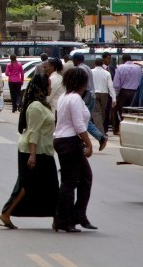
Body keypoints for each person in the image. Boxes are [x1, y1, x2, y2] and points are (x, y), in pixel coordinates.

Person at [0, 73, 58, 229]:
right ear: (42, 87)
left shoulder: (43, 104)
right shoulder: (36, 106)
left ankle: (57, 218)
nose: (51, 87)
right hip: (33, 152)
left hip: (44, 150)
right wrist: (32, 155)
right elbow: (33, 131)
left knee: (50, 186)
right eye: (49, 85)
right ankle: (6, 213)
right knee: (26, 185)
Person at [53, 67, 95, 233]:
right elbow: (78, 125)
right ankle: (67, 219)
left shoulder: (64, 97)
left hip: (62, 139)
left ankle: (75, 216)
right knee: (72, 182)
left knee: (80, 179)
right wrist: (89, 144)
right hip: (70, 141)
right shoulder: (75, 98)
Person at [112, 54, 143, 135]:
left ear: (123, 60)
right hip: (135, 92)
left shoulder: (120, 68)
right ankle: (133, 129)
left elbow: (116, 84)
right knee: (133, 112)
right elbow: (140, 80)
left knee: (121, 112)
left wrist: (116, 94)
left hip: (124, 92)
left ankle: (121, 129)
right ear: (130, 59)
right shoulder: (138, 68)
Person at [90, 58, 116, 135]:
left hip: (94, 93)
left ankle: (100, 131)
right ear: (102, 64)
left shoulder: (91, 72)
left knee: (96, 112)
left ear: (95, 63)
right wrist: (114, 98)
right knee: (103, 112)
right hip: (104, 94)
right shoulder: (107, 73)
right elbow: (110, 86)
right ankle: (102, 130)